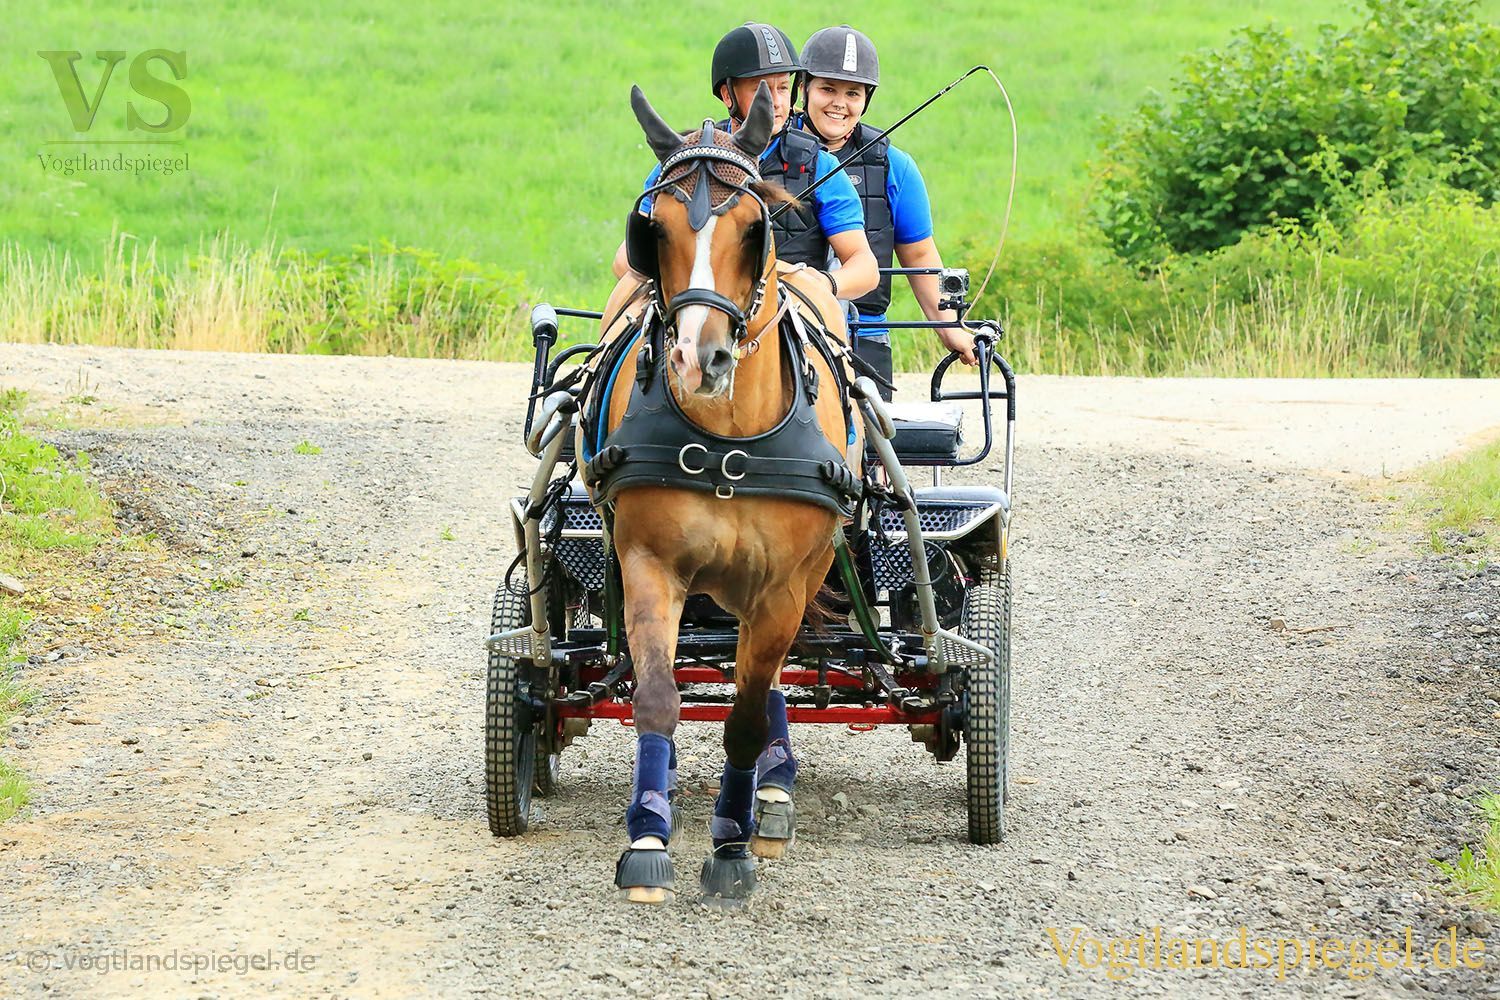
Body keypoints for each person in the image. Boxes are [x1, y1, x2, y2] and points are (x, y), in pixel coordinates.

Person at [613, 22, 878, 304]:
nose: (775, 102)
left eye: (783, 88)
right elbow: (623, 262)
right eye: (761, 90)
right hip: (697, 310)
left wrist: (822, 282)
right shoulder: (684, 162)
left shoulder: (820, 166)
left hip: (793, 316)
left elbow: (865, 268)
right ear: (728, 95)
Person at [796, 25, 977, 397]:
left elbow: (920, 255)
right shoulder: (771, 154)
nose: (839, 103)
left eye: (852, 93)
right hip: (786, 326)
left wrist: (949, 328)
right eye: (827, 89)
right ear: (805, 89)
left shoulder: (896, 167)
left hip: (866, 334)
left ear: (866, 99)